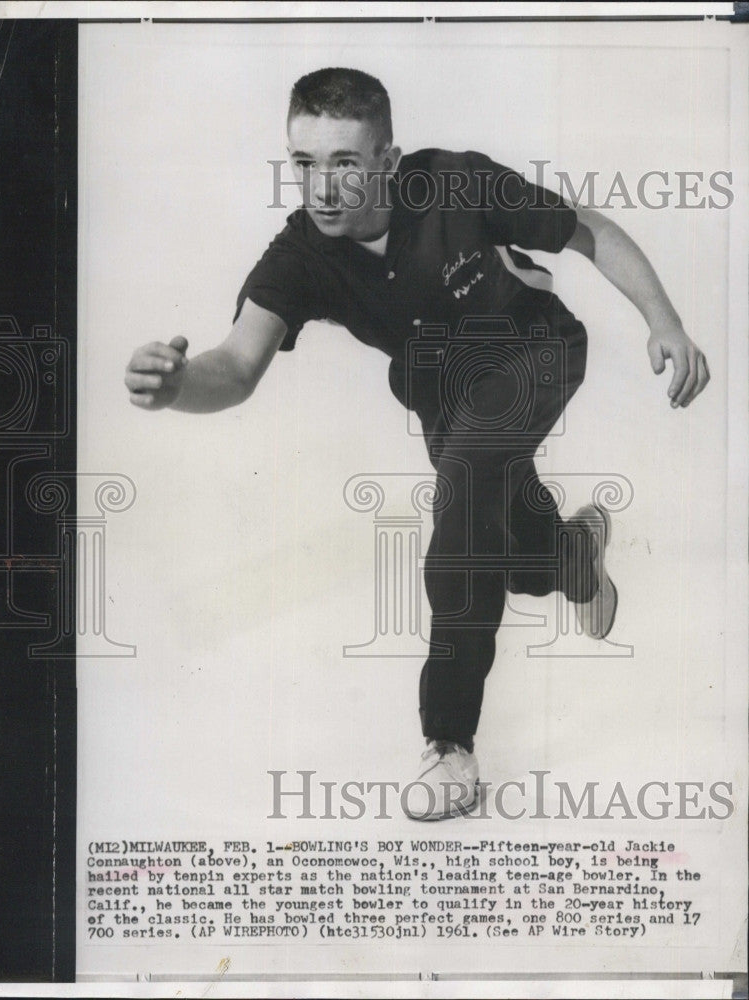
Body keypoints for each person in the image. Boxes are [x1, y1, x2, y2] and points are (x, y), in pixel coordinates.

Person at [124, 68, 710, 821]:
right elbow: (235, 366)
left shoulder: (456, 182)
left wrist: (664, 321)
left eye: (345, 163)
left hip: (531, 348)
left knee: (464, 499)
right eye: (303, 164)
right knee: (486, 512)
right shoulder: (298, 255)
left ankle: (450, 745)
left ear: (388, 161)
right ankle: (565, 556)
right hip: (439, 387)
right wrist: (176, 387)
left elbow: (588, 230)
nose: (322, 188)